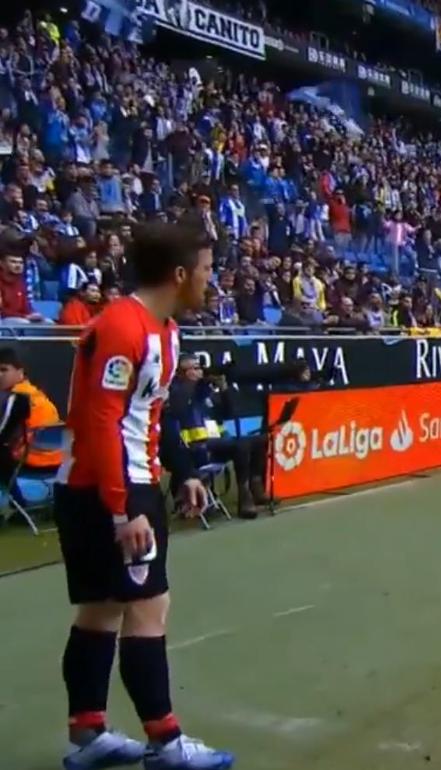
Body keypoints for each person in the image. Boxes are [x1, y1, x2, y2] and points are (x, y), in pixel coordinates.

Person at [53, 223, 234, 770]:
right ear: (179, 274)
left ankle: (89, 733)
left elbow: (155, 412)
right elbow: (102, 422)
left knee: (101, 610)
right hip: (111, 487)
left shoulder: (166, 331)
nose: (211, 281)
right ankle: (167, 742)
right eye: (206, 270)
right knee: (149, 608)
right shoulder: (121, 327)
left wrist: (184, 472)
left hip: (110, 484)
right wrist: (123, 509)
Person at [161, 352, 269, 518]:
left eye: (200, 368)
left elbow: (228, 412)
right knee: (241, 445)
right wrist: (194, 384)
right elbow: (179, 406)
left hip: (215, 445)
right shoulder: (176, 392)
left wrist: (223, 389)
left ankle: (254, 487)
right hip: (193, 449)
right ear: (180, 372)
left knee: (259, 440)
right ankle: (244, 496)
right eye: (194, 368)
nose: (200, 372)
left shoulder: (205, 392)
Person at [0, 346, 62, 485]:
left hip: (29, 461)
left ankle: (9, 495)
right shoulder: (38, 394)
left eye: (4, 370)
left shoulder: (15, 398)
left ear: (20, 372)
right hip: (56, 462)